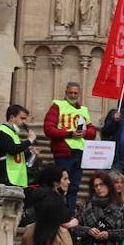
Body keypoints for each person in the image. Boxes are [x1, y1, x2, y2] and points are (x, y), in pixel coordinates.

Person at [43, 81, 97, 214]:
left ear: (79, 94)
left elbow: (92, 131)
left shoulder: (83, 110)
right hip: (63, 151)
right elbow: (48, 129)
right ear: (66, 93)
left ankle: (70, 213)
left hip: (79, 152)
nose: (73, 95)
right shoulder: (57, 106)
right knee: (61, 185)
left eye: (75, 93)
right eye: (70, 92)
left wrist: (84, 133)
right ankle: (58, 212)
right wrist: (70, 133)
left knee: (74, 186)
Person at [0, 104, 37, 187]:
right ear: (12, 117)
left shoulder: (12, 133)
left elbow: (17, 156)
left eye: (25, 119)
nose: (24, 122)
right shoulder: (2, 131)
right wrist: (29, 140)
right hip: (5, 175)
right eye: (22, 118)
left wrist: (30, 152)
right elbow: (12, 150)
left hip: (11, 176)